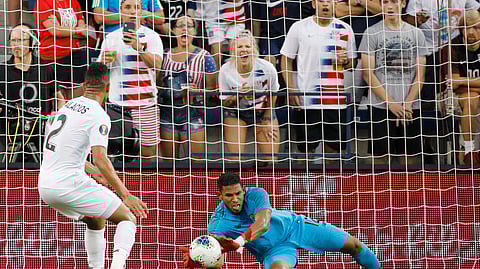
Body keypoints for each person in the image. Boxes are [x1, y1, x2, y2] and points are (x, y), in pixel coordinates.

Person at [38, 62, 148, 269]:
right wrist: (126, 194)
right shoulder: (98, 115)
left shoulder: (68, 106)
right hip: (68, 185)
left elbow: (65, 152)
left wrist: (95, 172)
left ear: (84, 84)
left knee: (95, 220)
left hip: (46, 186)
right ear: (108, 87)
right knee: (127, 218)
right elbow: (100, 157)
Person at [179, 172, 381, 269]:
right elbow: (219, 257)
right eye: (229, 196)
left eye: (238, 194)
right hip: (272, 250)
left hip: (296, 227)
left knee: (354, 245)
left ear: (244, 191)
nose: (235, 199)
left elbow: (263, 223)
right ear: (219, 196)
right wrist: (203, 257)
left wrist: (239, 242)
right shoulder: (218, 223)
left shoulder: (256, 194)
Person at [280, 0, 356, 161]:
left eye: (329, 1)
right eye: (321, 1)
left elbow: (352, 63)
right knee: (305, 152)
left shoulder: (345, 28)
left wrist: (346, 62)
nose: (325, 5)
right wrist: (292, 88)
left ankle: (330, 185)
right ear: (314, 4)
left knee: (334, 153)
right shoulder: (299, 27)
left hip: (335, 102)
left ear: (335, 4)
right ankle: (306, 186)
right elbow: (286, 59)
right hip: (307, 101)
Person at [360, 0, 428, 165]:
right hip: (380, 106)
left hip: (410, 106)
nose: (389, 6)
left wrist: (407, 103)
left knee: (410, 159)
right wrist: (391, 104)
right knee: (380, 160)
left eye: (394, 2)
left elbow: (421, 75)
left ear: (403, 3)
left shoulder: (416, 33)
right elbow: (368, 75)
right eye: (385, 2)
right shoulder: (371, 33)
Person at [99, 0, 163, 159]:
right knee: (117, 155)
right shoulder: (111, 38)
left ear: (142, 12)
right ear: (121, 11)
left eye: (137, 7)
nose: (133, 11)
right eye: (128, 7)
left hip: (146, 105)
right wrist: (104, 63)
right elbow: (100, 73)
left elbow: (158, 65)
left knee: (148, 156)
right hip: (117, 108)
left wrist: (139, 48)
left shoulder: (152, 36)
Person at [0, 24, 65, 162]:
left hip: (41, 136)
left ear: (33, 42)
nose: (16, 45)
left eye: (21, 40)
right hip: (10, 139)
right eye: (13, 40)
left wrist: (56, 115)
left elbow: (59, 99)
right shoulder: (2, 70)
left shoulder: (45, 68)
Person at [158, 15, 217, 159]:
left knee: (195, 166)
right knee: (169, 165)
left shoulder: (205, 57)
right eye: (180, 25)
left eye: (189, 25)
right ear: (173, 30)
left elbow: (213, 90)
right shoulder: (163, 55)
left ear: (195, 31)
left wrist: (197, 92)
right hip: (167, 114)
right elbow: (158, 84)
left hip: (194, 115)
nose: (185, 28)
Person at [219, 30, 280, 164]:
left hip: (263, 110)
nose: (244, 49)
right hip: (236, 113)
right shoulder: (225, 70)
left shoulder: (267, 68)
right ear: (233, 51)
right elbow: (224, 103)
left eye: (247, 46)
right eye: (240, 47)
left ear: (254, 49)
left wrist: (267, 119)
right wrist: (239, 95)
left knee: (272, 161)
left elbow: (273, 93)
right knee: (235, 161)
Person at [35, 0, 89, 100]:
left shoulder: (74, 2)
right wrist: (76, 30)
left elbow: (84, 31)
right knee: (56, 98)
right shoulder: (43, 2)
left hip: (74, 53)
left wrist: (64, 30)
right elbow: (55, 31)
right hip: (52, 56)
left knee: (76, 96)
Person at [449, 10, 480, 166]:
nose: (471, 32)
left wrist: (463, 80)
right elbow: (452, 83)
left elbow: (458, 80)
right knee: (472, 98)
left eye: (477, 28)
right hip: (452, 98)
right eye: (467, 28)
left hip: (467, 92)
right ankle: (469, 150)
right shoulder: (453, 47)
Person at [93, 0, 165, 34]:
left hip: (143, 37)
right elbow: (99, 17)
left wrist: (144, 14)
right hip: (114, 39)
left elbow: (161, 18)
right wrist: (134, 16)